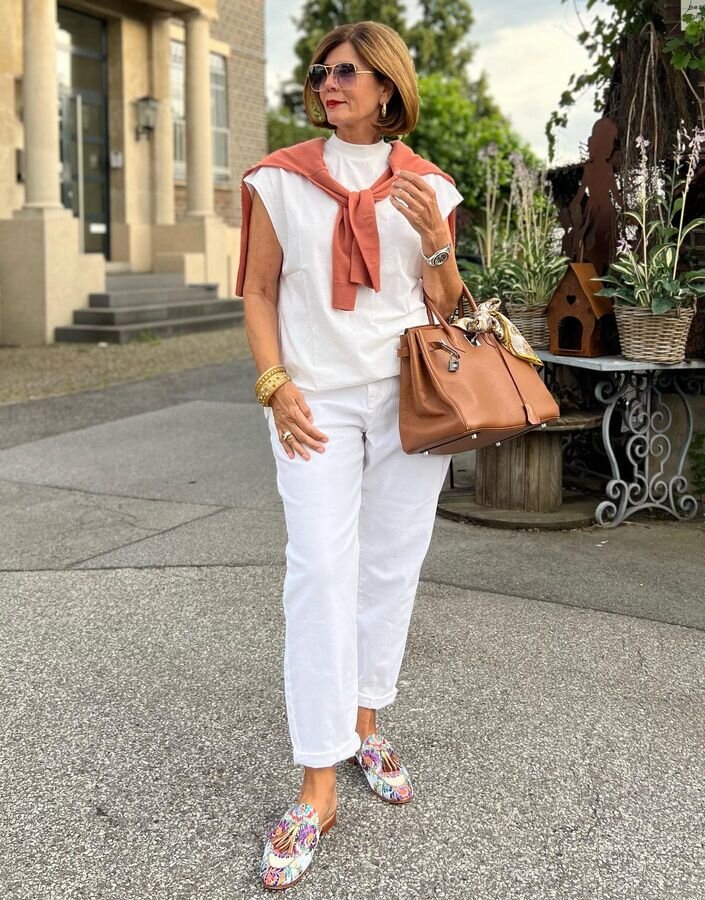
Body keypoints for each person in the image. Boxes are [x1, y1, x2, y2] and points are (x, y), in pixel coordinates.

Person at [235, 20, 464, 892]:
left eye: (349, 72)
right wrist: (273, 383)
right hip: (315, 402)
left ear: (388, 88)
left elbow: (448, 305)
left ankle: (366, 724)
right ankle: (317, 783)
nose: (330, 82)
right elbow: (259, 290)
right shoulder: (278, 179)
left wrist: (436, 242)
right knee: (319, 574)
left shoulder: (428, 184)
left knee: (391, 566)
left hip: (408, 396)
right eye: (322, 70)